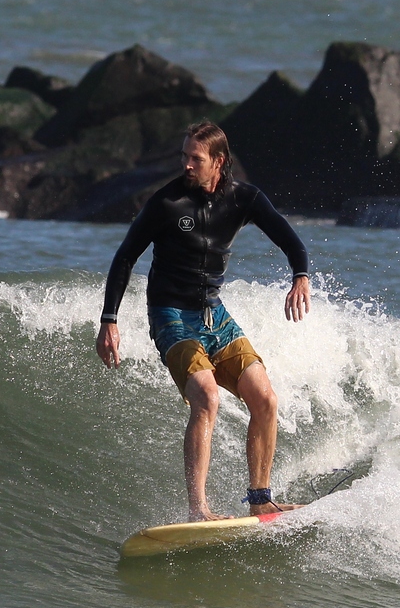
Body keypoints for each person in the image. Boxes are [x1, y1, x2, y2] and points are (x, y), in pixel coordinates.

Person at [96, 120, 311, 522]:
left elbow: (289, 239)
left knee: (265, 399)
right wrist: (110, 319)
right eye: (184, 157)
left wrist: (300, 276)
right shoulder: (166, 203)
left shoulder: (243, 199)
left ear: (219, 162)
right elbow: (125, 256)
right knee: (206, 397)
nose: (187, 165)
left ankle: (261, 498)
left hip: (215, 315)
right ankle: (199, 509)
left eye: (196, 158)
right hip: (170, 315)